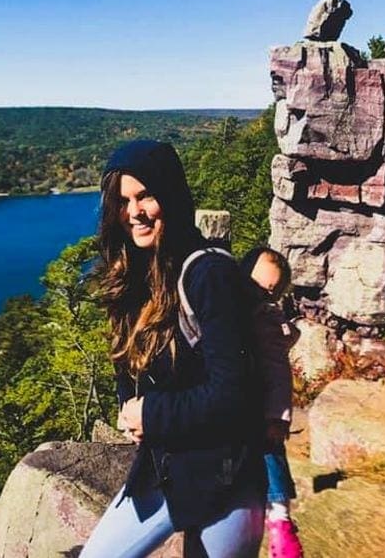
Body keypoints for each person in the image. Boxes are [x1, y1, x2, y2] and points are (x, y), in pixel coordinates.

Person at [80, 139, 265, 558]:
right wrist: (130, 405)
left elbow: (234, 393)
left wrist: (151, 413)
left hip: (224, 476)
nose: (134, 212)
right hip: (165, 469)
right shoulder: (136, 274)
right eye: (123, 201)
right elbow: (131, 363)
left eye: (145, 195)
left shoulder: (209, 275)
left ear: (171, 195)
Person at [239, 247, 304, 558]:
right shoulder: (238, 309)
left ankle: (280, 518)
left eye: (270, 292)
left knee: (271, 452)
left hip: (263, 406)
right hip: (242, 401)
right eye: (256, 286)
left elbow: (278, 373)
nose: (261, 295)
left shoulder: (264, 318)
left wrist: (278, 416)